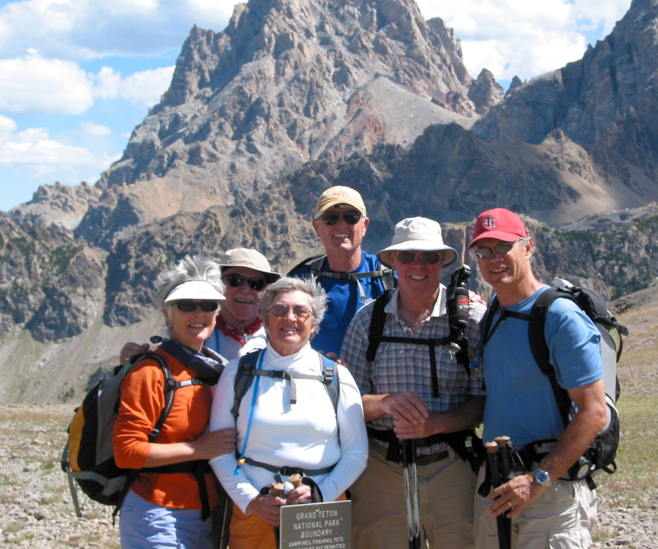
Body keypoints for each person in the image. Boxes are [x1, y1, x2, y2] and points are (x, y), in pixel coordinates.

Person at [340, 217, 486, 549]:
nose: (417, 265)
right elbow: (346, 403)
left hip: (452, 469)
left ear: (443, 262)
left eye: (428, 256)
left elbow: (482, 401)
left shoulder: (470, 322)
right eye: (407, 256)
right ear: (393, 261)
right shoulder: (367, 321)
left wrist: (436, 424)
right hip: (380, 471)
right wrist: (386, 403)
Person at [469, 208, 607, 549]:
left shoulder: (560, 317)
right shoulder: (494, 315)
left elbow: (594, 412)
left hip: (549, 492)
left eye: (503, 247)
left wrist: (539, 479)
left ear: (528, 247)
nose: (493, 259)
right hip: (497, 483)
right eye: (484, 251)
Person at [209, 276, 369, 549]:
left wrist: (320, 494)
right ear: (265, 319)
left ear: (315, 323)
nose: (290, 318)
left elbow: (357, 452)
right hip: (255, 512)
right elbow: (218, 450)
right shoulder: (237, 372)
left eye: (301, 311)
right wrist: (251, 500)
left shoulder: (336, 376)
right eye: (280, 310)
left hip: (320, 511)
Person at [113, 255, 238, 549]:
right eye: (186, 305)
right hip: (155, 512)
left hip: (204, 511)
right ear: (167, 313)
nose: (198, 313)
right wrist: (198, 449)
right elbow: (126, 452)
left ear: (217, 313)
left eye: (208, 305)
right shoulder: (150, 371)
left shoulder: (217, 369)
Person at [120, 248, 281, 364]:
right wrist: (129, 365)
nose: (246, 290)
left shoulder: (278, 334)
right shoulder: (195, 328)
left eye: (257, 284)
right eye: (235, 280)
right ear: (218, 284)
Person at [288, 186, 394, 358]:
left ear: (365, 225)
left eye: (351, 218)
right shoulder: (299, 281)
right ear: (316, 227)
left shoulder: (389, 277)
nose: (341, 225)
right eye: (331, 218)